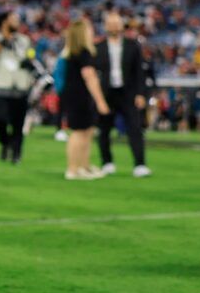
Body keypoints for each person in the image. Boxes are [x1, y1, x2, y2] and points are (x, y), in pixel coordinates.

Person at [95, 11, 150, 177]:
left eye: (117, 23)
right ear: (106, 26)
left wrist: (141, 94)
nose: (114, 26)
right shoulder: (99, 47)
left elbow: (139, 72)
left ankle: (139, 164)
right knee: (104, 130)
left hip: (128, 93)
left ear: (121, 25)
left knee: (135, 128)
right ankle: (107, 162)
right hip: (107, 93)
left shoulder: (132, 45)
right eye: (111, 23)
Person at [60, 16, 110, 180]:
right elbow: (90, 77)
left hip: (77, 96)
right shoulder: (83, 52)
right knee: (79, 132)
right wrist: (101, 101)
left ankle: (84, 166)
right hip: (79, 97)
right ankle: (73, 169)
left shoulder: (74, 52)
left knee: (87, 131)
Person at [0, 13, 38, 165]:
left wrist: (30, 62)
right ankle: (5, 142)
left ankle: (16, 153)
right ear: (4, 22)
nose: (17, 22)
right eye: (13, 19)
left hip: (20, 86)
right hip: (0, 86)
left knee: (18, 123)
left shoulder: (24, 40)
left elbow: (31, 58)